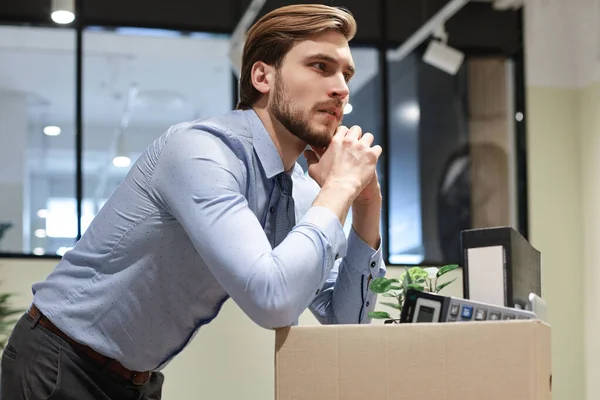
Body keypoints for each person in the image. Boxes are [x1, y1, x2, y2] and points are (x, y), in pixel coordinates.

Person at [1, 4, 386, 399]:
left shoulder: (300, 192)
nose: (341, 88)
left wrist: (366, 204)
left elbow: (348, 323)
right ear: (262, 76)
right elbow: (273, 301)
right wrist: (339, 186)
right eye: (321, 66)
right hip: (59, 361)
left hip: (138, 380)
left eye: (346, 73)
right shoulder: (201, 152)